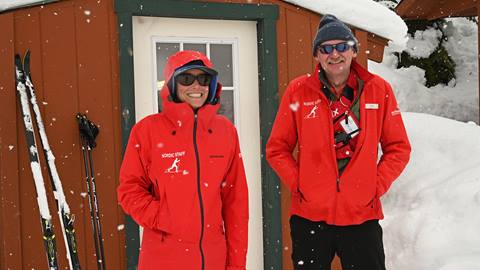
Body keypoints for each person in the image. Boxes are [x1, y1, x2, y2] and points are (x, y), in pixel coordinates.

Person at [266, 14, 411, 270]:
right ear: (317, 55)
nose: (335, 54)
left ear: (354, 50)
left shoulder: (378, 89)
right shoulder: (299, 91)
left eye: (342, 46)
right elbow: (277, 148)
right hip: (309, 218)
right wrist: (300, 184)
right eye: (326, 48)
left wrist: (374, 186)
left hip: (362, 218)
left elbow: (398, 148)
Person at [117, 50, 249, 270]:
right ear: (172, 85)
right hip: (162, 259)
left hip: (213, 259)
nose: (196, 86)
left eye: (203, 79)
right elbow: (129, 190)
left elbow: (236, 203)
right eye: (187, 79)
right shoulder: (147, 131)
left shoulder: (226, 132)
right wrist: (163, 217)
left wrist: (236, 265)